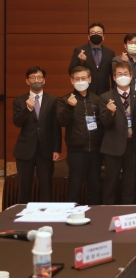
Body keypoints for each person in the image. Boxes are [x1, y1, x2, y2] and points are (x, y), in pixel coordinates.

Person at [99, 61, 136, 205]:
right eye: (119, 74)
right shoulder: (106, 97)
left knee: (130, 186)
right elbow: (104, 123)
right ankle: (108, 214)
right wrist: (111, 113)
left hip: (133, 147)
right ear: (114, 77)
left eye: (126, 74)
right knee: (110, 185)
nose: (123, 76)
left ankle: (128, 213)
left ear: (131, 76)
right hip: (113, 148)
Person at [13, 66, 61, 203]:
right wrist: (27, 109)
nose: (36, 80)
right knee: (24, 186)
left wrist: (56, 149)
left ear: (44, 80)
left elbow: (55, 126)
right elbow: (17, 122)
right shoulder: (19, 101)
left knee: (46, 185)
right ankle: (23, 211)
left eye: (39, 77)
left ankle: (46, 212)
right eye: (33, 78)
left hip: (45, 150)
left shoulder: (52, 100)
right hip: (25, 150)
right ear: (27, 81)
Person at [57, 66, 103, 205]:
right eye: (77, 79)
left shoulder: (97, 99)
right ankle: (72, 214)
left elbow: (103, 123)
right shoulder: (65, 100)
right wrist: (70, 107)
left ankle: (94, 214)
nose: (80, 81)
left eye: (83, 78)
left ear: (89, 79)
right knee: (74, 188)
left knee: (95, 188)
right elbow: (62, 121)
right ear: (72, 80)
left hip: (95, 151)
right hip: (76, 152)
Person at [68, 23, 115, 95]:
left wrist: (114, 91)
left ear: (103, 37)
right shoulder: (79, 50)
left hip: (104, 91)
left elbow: (113, 74)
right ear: (88, 37)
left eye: (99, 33)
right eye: (93, 33)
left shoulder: (110, 52)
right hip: (85, 90)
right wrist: (81, 61)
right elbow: (71, 71)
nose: (96, 35)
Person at [112, 33, 136, 97]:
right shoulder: (117, 60)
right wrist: (125, 63)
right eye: (131, 43)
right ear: (125, 45)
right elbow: (117, 78)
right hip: (124, 96)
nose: (133, 45)